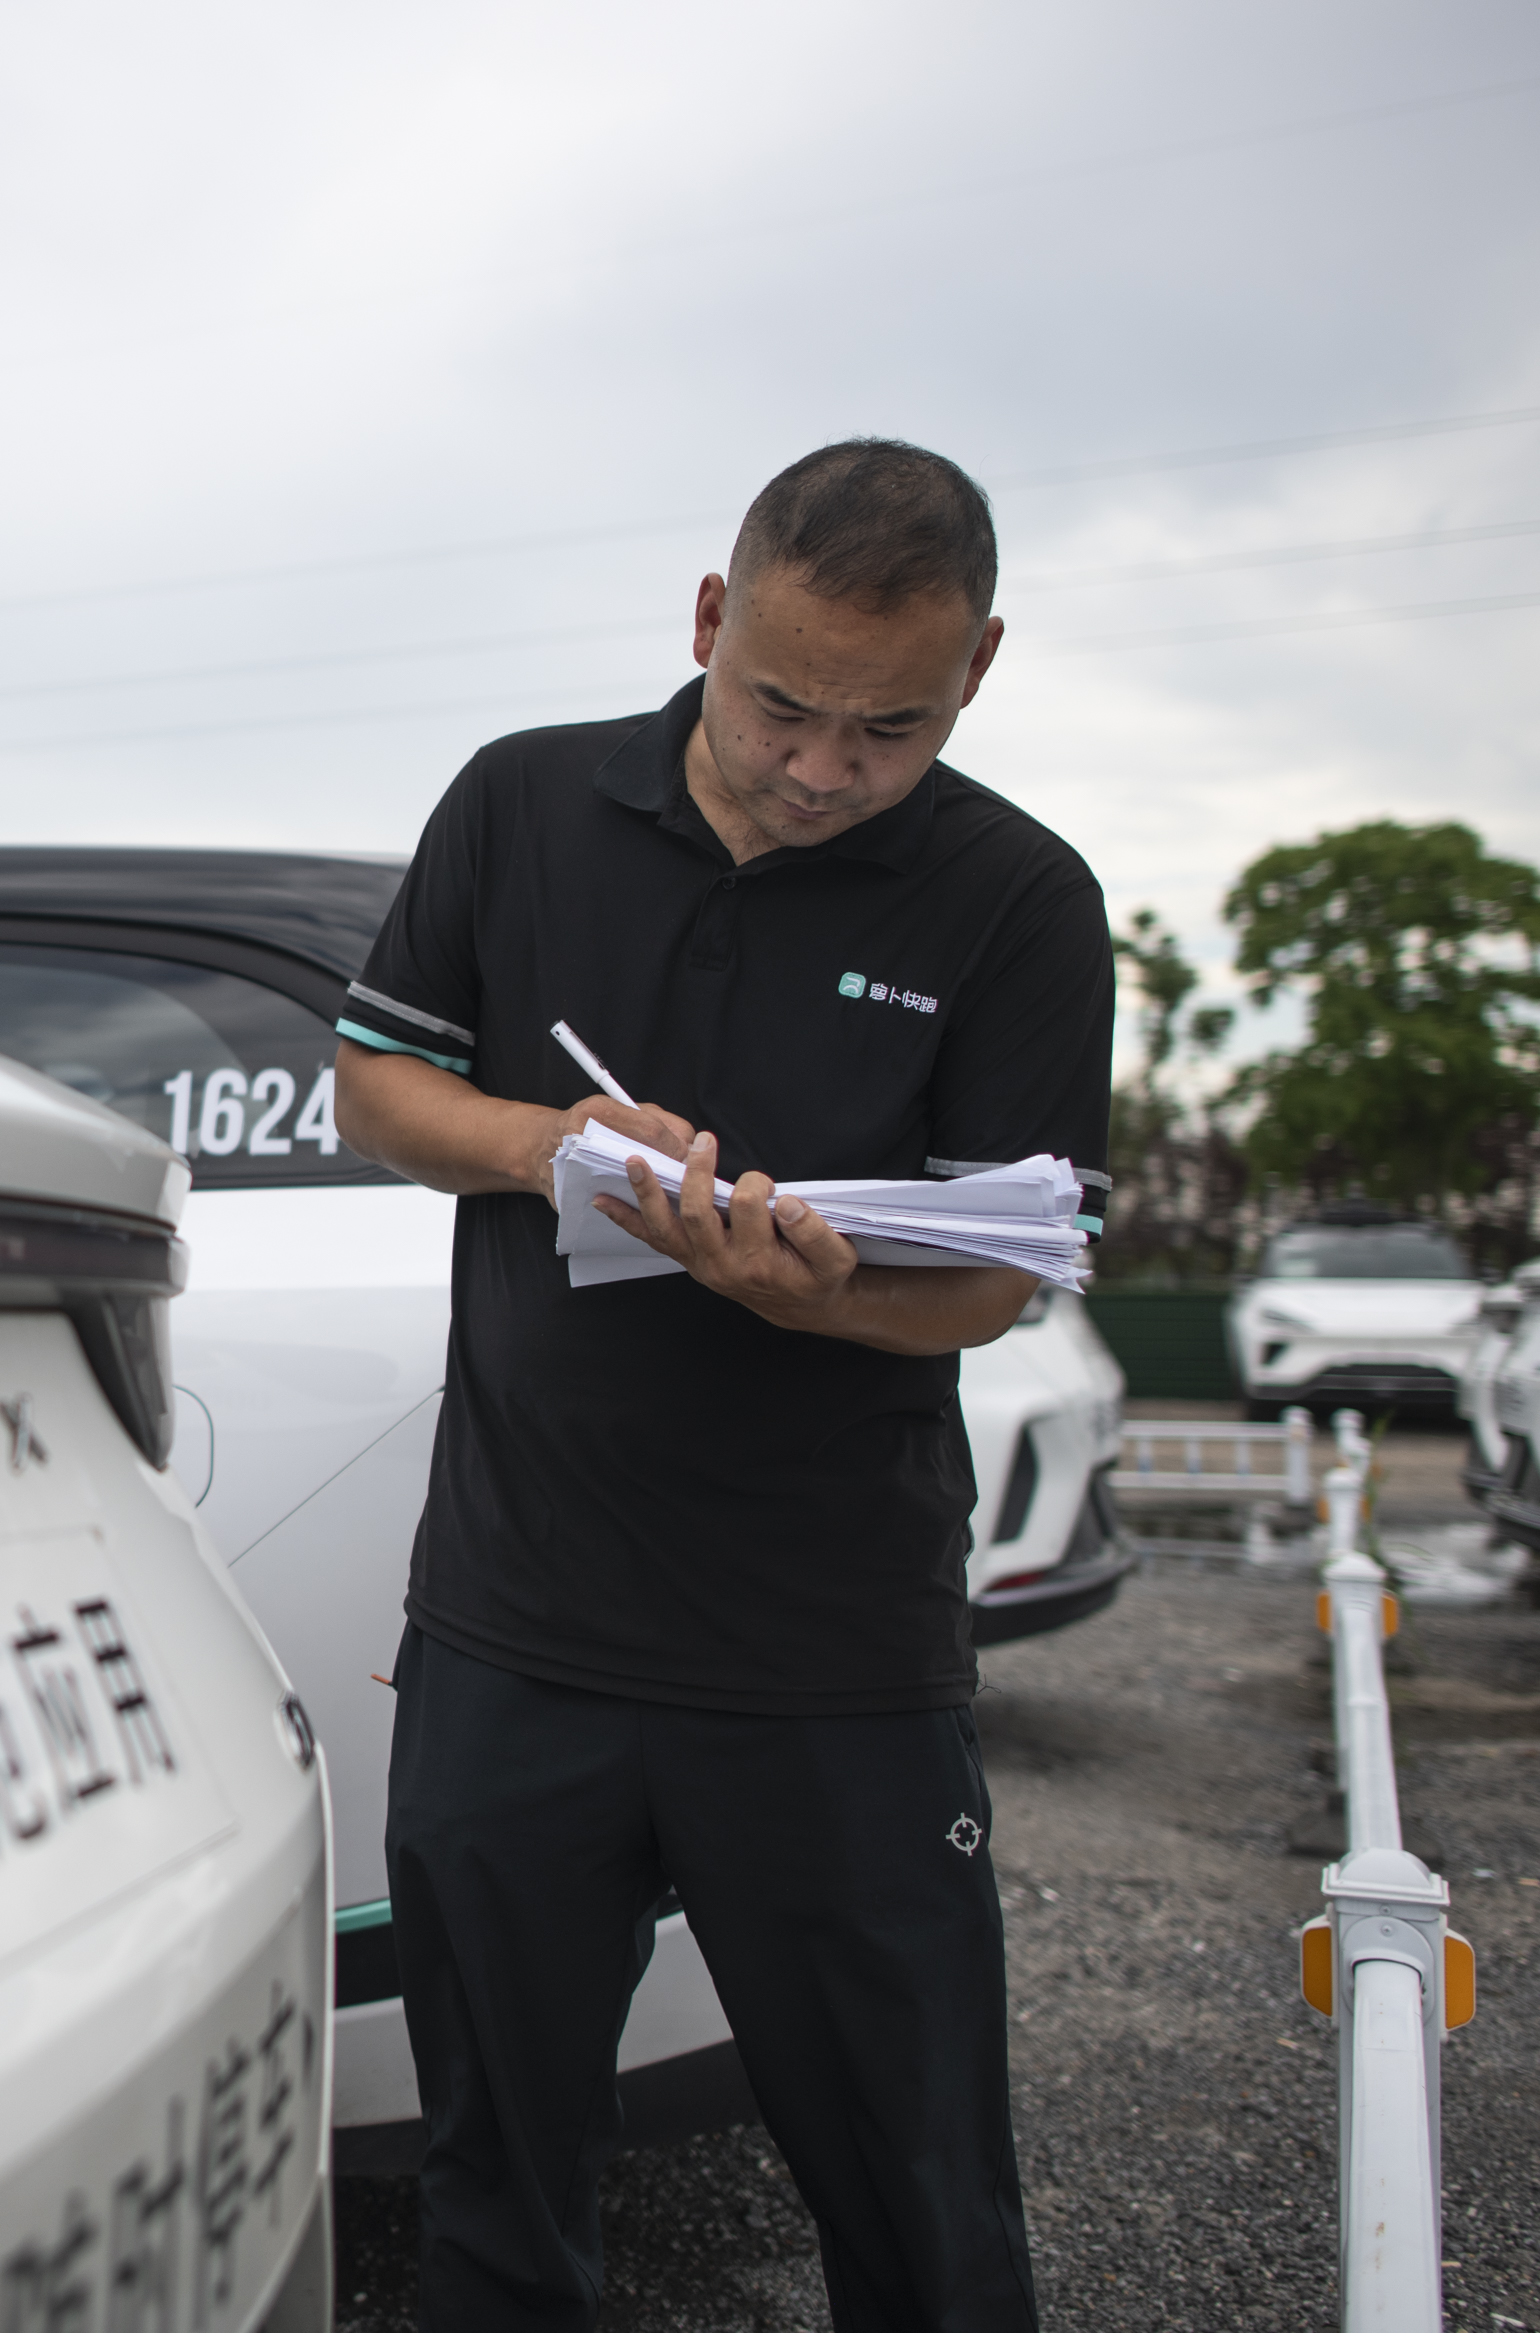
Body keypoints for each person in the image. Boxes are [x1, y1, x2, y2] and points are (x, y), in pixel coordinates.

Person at [330, 438, 1110, 2333]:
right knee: (498, 2186)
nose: (825, 766)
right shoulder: (521, 804)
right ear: (708, 620)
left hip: (829, 1651)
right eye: (783, 705)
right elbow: (376, 1089)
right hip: (519, 1624)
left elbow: (991, 1286)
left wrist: (818, 1299)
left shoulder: (1020, 898)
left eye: (890, 726)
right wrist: (546, 1145)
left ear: (980, 668)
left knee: (918, 2191)